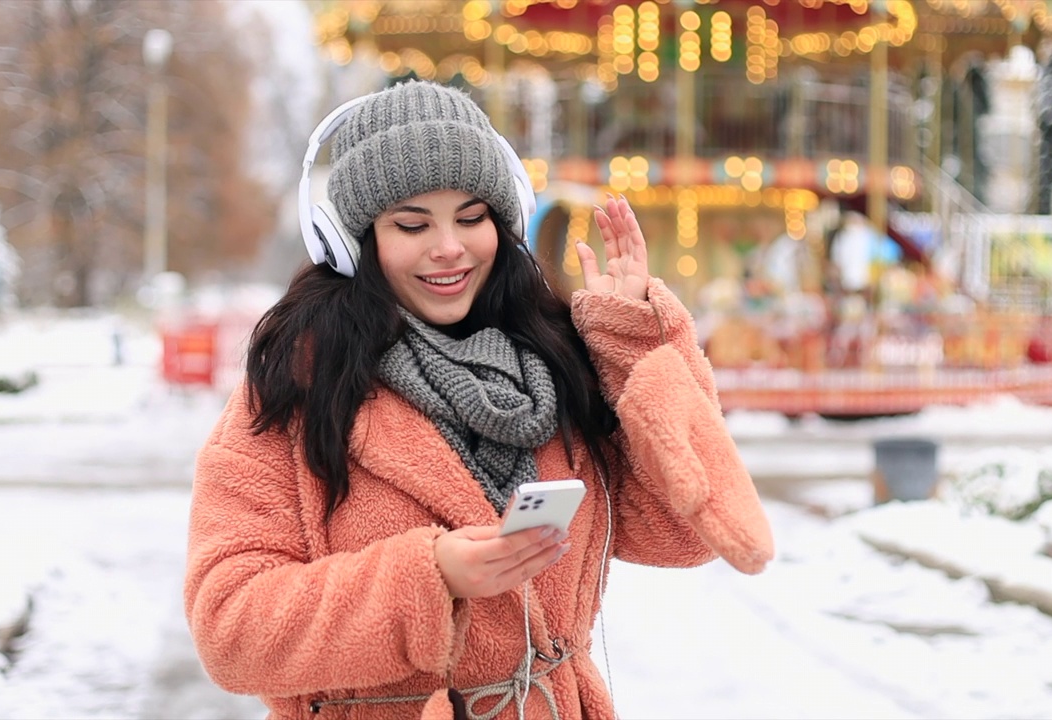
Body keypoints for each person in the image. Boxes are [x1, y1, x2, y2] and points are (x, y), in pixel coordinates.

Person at [184, 80, 774, 720]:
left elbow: (685, 533)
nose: (450, 247)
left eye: (472, 218)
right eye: (412, 224)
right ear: (353, 244)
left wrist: (636, 346)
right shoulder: (295, 388)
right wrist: (429, 579)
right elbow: (230, 629)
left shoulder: (557, 364)